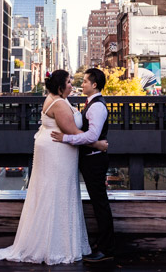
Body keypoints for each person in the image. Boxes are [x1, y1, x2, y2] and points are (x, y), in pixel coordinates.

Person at [0, 70, 107, 265]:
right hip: (58, 154)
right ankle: (55, 245)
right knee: (56, 193)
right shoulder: (58, 104)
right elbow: (72, 131)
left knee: (56, 193)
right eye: (68, 82)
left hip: (59, 153)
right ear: (59, 87)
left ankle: (58, 242)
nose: (72, 85)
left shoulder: (56, 98)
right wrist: (98, 144)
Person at [52, 67, 115, 263]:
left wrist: (66, 138)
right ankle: (102, 244)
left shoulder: (97, 107)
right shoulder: (91, 103)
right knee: (98, 202)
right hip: (91, 157)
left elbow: (92, 136)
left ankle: (106, 248)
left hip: (95, 160)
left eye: (86, 81)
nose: (82, 84)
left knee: (100, 203)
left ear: (94, 85)